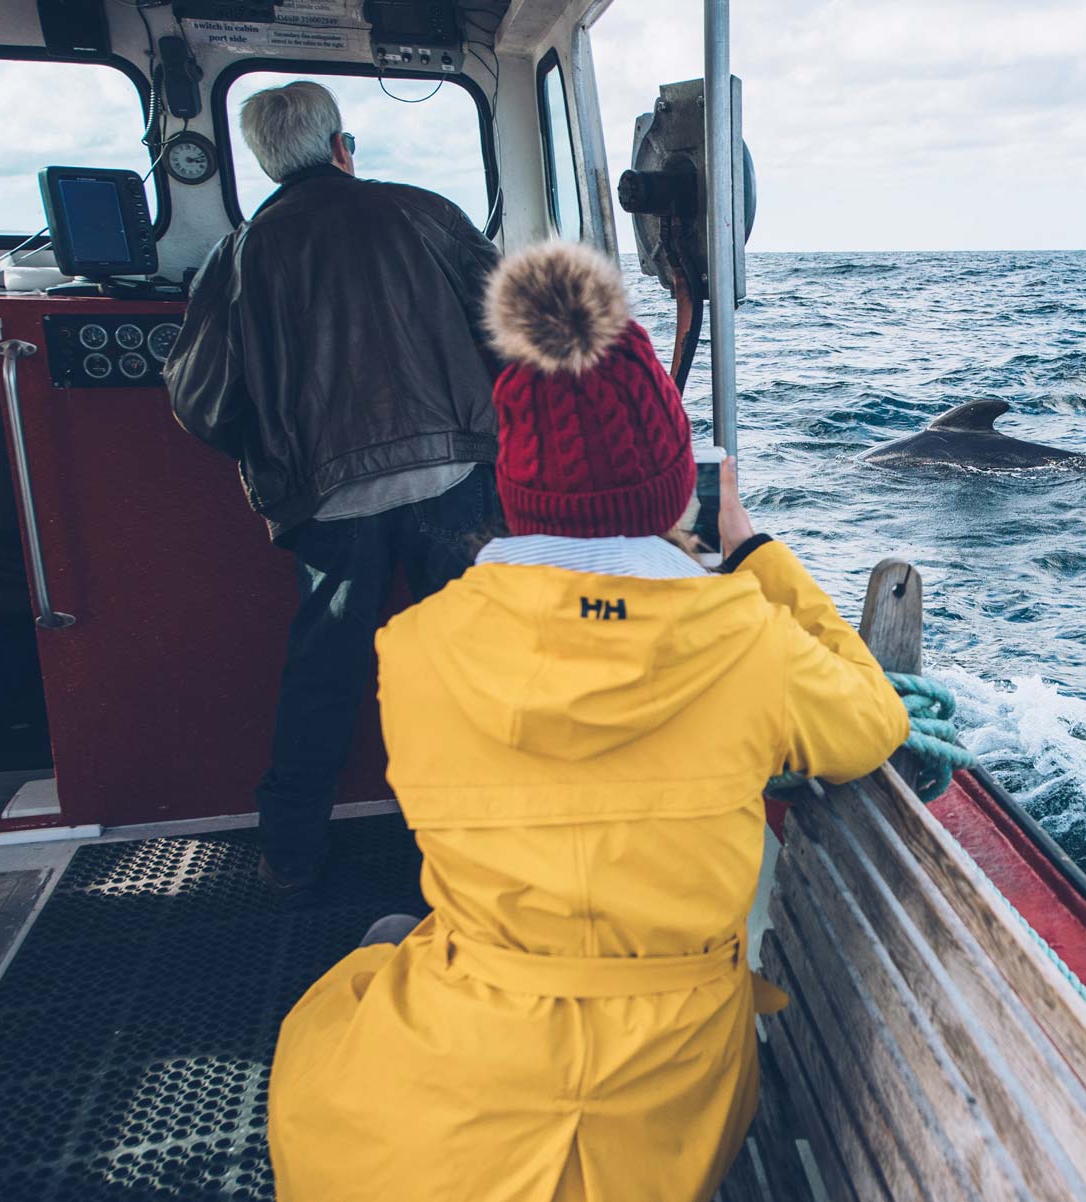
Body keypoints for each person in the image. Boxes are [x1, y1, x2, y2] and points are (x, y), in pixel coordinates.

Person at [265, 240, 911, 1201]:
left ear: (516, 492)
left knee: (378, 949)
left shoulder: (415, 648)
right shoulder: (747, 641)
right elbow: (875, 720)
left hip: (416, 1144)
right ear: (673, 487)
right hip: (665, 1123)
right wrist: (755, 554)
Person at [163, 81, 503, 898]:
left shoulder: (241, 253)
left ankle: (291, 854)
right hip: (449, 477)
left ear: (263, 163)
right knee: (470, 663)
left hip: (328, 499)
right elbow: (510, 318)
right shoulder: (424, 212)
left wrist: (277, 448)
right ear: (343, 146)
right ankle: (483, 849)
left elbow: (198, 398)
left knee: (325, 672)